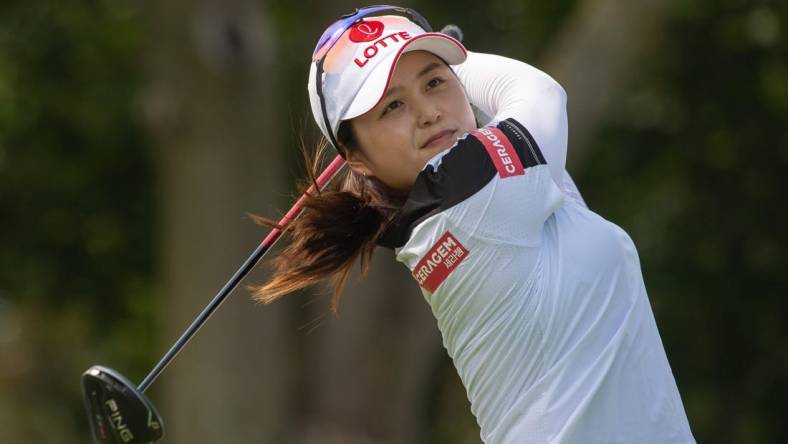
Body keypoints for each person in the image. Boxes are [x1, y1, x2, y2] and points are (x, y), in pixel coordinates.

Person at [254, 5, 696, 444]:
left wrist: (444, 69)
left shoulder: (477, 201)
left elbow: (517, 139)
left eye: (433, 83)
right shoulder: (472, 198)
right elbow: (539, 93)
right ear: (357, 160)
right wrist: (456, 62)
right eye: (392, 105)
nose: (428, 112)